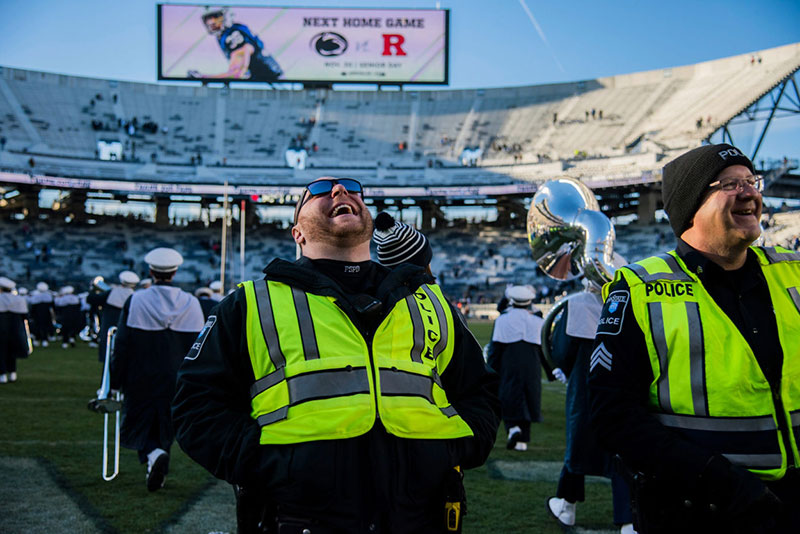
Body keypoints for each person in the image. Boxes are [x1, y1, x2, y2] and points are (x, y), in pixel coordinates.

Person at [172, 176, 500, 533]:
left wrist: (455, 450)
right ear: (298, 233)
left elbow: (479, 390)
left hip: (423, 515)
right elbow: (195, 405)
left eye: (352, 189)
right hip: (299, 517)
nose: (340, 192)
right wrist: (270, 464)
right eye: (317, 192)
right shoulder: (250, 303)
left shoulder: (429, 301)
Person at [589, 143, 800, 533]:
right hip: (698, 510)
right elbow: (612, 416)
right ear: (692, 206)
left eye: (751, 181)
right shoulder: (640, 288)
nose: (750, 192)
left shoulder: (793, 273)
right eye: (730, 184)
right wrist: (719, 481)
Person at [111, 248, 204, 492]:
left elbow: (121, 344)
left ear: (151, 271)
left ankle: (153, 455)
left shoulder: (136, 300)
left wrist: (113, 380)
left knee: (141, 420)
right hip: (178, 376)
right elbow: (199, 348)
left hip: (140, 374)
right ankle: (158, 460)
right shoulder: (191, 302)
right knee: (167, 421)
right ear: (175, 271)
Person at [546, 280, 634, 533]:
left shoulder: (577, 303)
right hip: (624, 384)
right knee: (623, 447)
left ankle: (566, 506)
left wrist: (562, 368)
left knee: (579, 442)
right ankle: (628, 519)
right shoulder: (631, 299)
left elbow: (562, 351)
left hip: (586, 386)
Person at [486, 285, 544, 451]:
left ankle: (513, 429)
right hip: (532, 363)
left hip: (509, 361)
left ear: (512, 300)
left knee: (509, 395)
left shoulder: (503, 319)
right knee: (529, 394)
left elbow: (495, 350)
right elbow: (543, 348)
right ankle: (523, 440)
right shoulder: (538, 320)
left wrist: (491, 371)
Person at [188, 7, 283, 82]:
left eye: (216, 16)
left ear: (226, 16)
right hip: (265, 82)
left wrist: (203, 78)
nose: (211, 22)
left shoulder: (233, 35)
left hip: (271, 84)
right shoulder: (229, 33)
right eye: (208, 18)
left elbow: (236, 74)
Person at [87, 271, 140, 363]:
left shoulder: (112, 292)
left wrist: (92, 289)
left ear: (122, 281)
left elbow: (92, 299)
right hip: (126, 330)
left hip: (109, 327)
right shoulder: (135, 296)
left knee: (108, 355)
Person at [0, 277, 30, 384]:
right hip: (15, 330)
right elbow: (25, 316)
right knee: (12, 351)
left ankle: (2, 375)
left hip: (1, 330)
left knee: (1, 351)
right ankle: (13, 374)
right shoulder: (19, 300)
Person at [28, 282, 55, 347]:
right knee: (45, 327)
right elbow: (52, 306)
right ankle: (44, 340)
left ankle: (37, 340)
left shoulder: (35, 296)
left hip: (37, 315)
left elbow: (33, 307)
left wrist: (31, 315)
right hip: (46, 314)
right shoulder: (49, 296)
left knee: (38, 327)